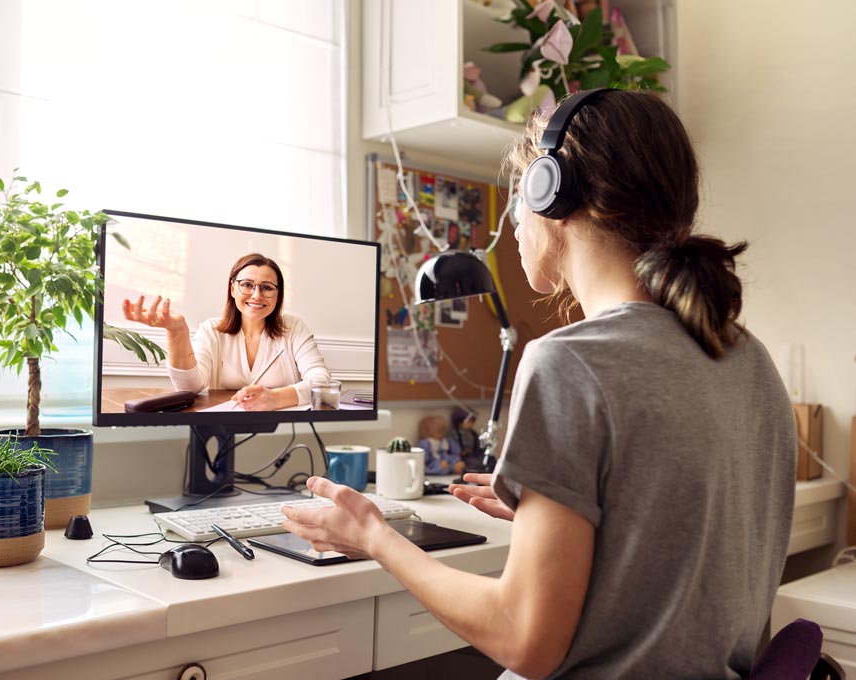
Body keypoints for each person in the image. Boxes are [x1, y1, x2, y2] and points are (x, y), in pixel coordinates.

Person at [281, 90, 796, 678]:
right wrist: (564, 519)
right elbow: (683, 557)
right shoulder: (745, 356)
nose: (516, 226)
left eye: (516, 201)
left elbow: (523, 638)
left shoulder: (570, 363)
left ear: (553, 195)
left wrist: (373, 536)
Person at [123, 252, 330, 411]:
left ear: (278, 294)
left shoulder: (294, 328)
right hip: (221, 430)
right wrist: (177, 333)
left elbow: (321, 380)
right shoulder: (211, 330)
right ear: (232, 289)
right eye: (247, 285)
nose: (257, 295)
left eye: (267, 287)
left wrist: (275, 398)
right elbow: (190, 387)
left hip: (285, 431)